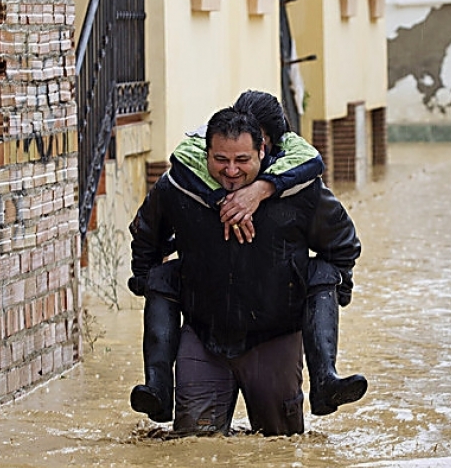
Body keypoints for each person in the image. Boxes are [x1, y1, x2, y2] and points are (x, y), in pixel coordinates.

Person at [128, 106, 363, 436]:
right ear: (205, 152)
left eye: (242, 160)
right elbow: (145, 236)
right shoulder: (178, 189)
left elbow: (342, 243)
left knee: (283, 449)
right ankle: (158, 388)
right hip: (203, 335)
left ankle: (325, 380)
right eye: (221, 160)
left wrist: (333, 292)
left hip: (275, 335)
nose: (232, 171)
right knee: (193, 451)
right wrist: (146, 280)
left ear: (263, 152)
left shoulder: (302, 192)